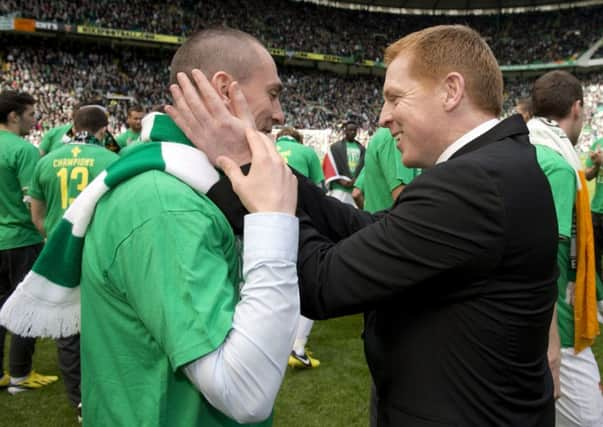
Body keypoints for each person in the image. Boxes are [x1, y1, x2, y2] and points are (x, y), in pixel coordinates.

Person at [169, 25, 559, 426]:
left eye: (394, 98)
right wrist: (276, 175)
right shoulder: (494, 166)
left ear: (451, 91)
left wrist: (248, 176)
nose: (384, 116)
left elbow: (321, 283)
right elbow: (366, 229)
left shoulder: (475, 183)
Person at [0, 29, 299, 426]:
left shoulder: (172, 184)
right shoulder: (166, 207)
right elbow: (243, 391)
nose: (280, 114)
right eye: (274, 93)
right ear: (224, 90)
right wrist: (273, 223)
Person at [28, 105, 119, 416]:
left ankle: (79, 399)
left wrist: (56, 238)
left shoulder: (46, 161)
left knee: (67, 326)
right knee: (104, 322)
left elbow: (37, 216)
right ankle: (107, 390)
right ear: (104, 129)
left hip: (59, 248)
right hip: (97, 250)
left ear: (72, 125)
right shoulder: (111, 160)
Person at [527, 70, 603, 427]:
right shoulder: (557, 165)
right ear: (576, 108)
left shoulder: (532, 149)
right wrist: (553, 344)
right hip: (560, 326)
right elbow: (542, 258)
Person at [0, 90, 58, 394]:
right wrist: (45, 230)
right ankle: (20, 376)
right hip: (20, 239)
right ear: (14, 116)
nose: (35, 122)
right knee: (27, 306)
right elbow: (30, 201)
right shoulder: (22, 151)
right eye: (31, 115)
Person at [275, 127, 322, 369]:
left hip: (263, 222)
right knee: (311, 280)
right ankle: (298, 347)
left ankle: (277, 343)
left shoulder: (267, 149)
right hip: (297, 222)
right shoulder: (306, 151)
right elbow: (318, 190)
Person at [352, 127, 420, 213]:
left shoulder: (380, 137)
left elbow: (356, 193)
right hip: (394, 223)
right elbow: (403, 201)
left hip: (377, 222)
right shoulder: (396, 136)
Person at [322, 121, 365, 206]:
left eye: (354, 130)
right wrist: (339, 179)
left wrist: (357, 180)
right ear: (345, 131)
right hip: (339, 189)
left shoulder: (362, 149)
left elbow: (364, 167)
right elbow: (329, 165)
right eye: (350, 130)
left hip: (354, 188)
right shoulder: (335, 148)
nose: (352, 132)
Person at [585, 135, 603, 280]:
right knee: (594, 258)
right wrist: (597, 165)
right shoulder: (598, 144)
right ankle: (598, 295)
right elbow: (587, 175)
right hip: (596, 210)